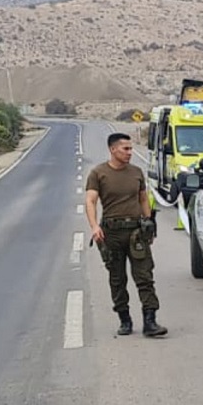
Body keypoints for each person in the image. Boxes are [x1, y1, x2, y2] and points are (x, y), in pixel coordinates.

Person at [85, 132, 167, 338]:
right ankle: (124, 319)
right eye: (126, 149)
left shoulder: (137, 172)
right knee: (117, 279)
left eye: (131, 148)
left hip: (136, 233)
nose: (130, 152)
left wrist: (150, 224)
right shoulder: (98, 173)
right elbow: (91, 201)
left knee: (145, 277)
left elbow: (143, 199)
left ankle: (150, 321)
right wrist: (95, 226)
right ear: (113, 149)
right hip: (111, 233)